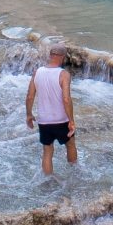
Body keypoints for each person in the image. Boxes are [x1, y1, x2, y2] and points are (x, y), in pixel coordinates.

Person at [25, 44, 76, 176]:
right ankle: (74, 173)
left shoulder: (37, 72)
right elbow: (66, 99)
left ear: (51, 55)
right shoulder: (64, 74)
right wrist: (71, 120)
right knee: (70, 144)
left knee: (47, 151)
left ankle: (47, 180)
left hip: (44, 120)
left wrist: (29, 115)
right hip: (61, 119)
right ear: (62, 57)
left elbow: (30, 96)